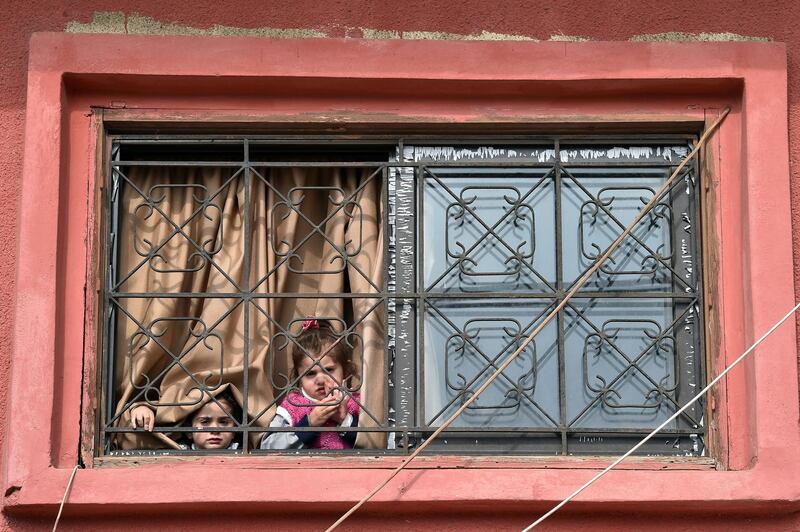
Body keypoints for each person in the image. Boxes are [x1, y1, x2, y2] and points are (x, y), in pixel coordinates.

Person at [260, 318, 360, 450]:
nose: (320, 380)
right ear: (299, 377)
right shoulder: (292, 405)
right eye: (310, 373)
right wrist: (309, 424)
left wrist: (345, 420)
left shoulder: (357, 402)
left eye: (328, 370)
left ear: (345, 369)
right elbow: (268, 446)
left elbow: (375, 444)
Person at [130, 389, 242, 450]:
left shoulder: (245, 451)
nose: (215, 430)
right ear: (189, 430)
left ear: (234, 430)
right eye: (205, 422)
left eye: (223, 422)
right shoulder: (177, 452)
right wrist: (142, 409)